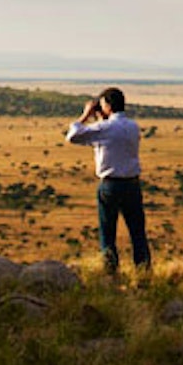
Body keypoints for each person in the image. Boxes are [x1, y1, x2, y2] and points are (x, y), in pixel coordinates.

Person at [66, 87, 149, 274]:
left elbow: (73, 137)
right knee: (137, 233)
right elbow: (110, 140)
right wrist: (101, 119)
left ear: (108, 106)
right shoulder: (133, 126)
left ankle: (111, 274)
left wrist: (85, 115)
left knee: (108, 234)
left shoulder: (104, 128)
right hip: (132, 184)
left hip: (110, 185)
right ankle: (144, 273)